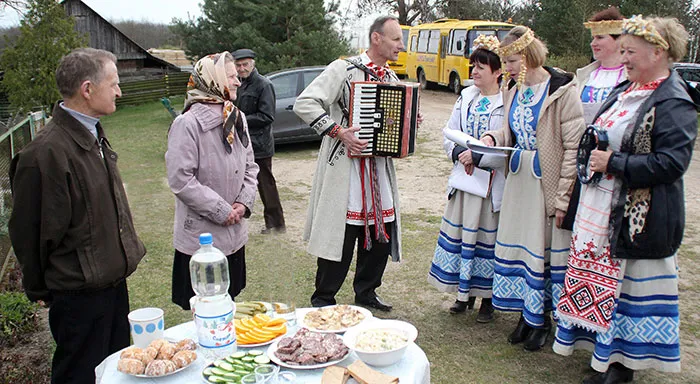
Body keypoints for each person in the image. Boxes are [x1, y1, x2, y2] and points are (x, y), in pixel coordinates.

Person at [553, 16, 699, 384]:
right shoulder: (626, 89)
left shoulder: (674, 100)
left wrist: (613, 162)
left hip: (639, 218)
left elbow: (672, 164)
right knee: (606, 289)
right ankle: (604, 357)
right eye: (623, 51)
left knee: (629, 292)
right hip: (604, 209)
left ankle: (622, 366)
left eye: (631, 51)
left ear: (658, 51)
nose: (625, 58)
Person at [8, 48, 147, 384]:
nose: (119, 91)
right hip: (79, 297)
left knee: (113, 372)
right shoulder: (44, 154)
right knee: (81, 375)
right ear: (87, 89)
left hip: (111, 286)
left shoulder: (91, 133)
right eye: (113, 84)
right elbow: (30, 232)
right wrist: (41, 288)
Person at [480, 26, 585, 351]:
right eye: (505, 61)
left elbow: (572, 147)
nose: (507, 68)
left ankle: (543, 321)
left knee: (543, 253)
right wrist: (493, 138)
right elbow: (511, 130)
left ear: (528, 55)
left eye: (511, 60)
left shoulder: (562, 90)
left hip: (545, 182)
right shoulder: (514, 87)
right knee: (521, 250)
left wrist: (563, 196)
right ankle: (526, 316)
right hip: (518, 181)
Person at [293, 16, 407, 312]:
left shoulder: (392, 79)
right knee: (340, 235)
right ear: (376, 39)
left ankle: (366, 293)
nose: (401, 45)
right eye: (396, 39)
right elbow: (305, 103)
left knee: (379, 235)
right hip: (346, 170)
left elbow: (390, 124)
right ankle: (323, 299)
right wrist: (339, 132)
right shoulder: (342, 70)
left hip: (378, 171)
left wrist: (406, 121)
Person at [166, 51, 259, 311]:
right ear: (213, 79)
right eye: (230, 76)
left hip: (233, 233)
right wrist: (222, 210)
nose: (238, 81)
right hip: (202, 239)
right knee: (203, 305)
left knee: (230, 301)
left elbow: (251, 165)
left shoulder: (236, 117)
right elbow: (180, 180)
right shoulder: (187, 124)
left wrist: (243, 202)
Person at [427, 35, 506, 323]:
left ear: (497, 71)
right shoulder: (466, 96)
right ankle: (464, 294)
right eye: (473, 66)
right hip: (464, 181)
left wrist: (480, 157)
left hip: (490, 184)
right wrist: (461, 152)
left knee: (487, 238)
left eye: (480, 67)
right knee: (463, 236)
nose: (473, 72)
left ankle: (487, 299)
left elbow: (510, 144)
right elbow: (450, 131)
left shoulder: (507, 101)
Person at [232, 48, 286, 234]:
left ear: (252, 64)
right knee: (237, 181)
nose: (241, 68)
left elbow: (267, 116)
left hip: (260, 145)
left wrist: (239, 118)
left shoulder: (263, 85)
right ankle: (236, 216)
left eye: (245, 64)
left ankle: (276, 224)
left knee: (265, 184)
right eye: (238, 65)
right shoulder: (239, 84)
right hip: (241, 143)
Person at [578, 7, 626, 124]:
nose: (593, 43)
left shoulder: (633, 77)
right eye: (593, 38)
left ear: (619, 40)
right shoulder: (585, 76)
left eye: (600, 37)